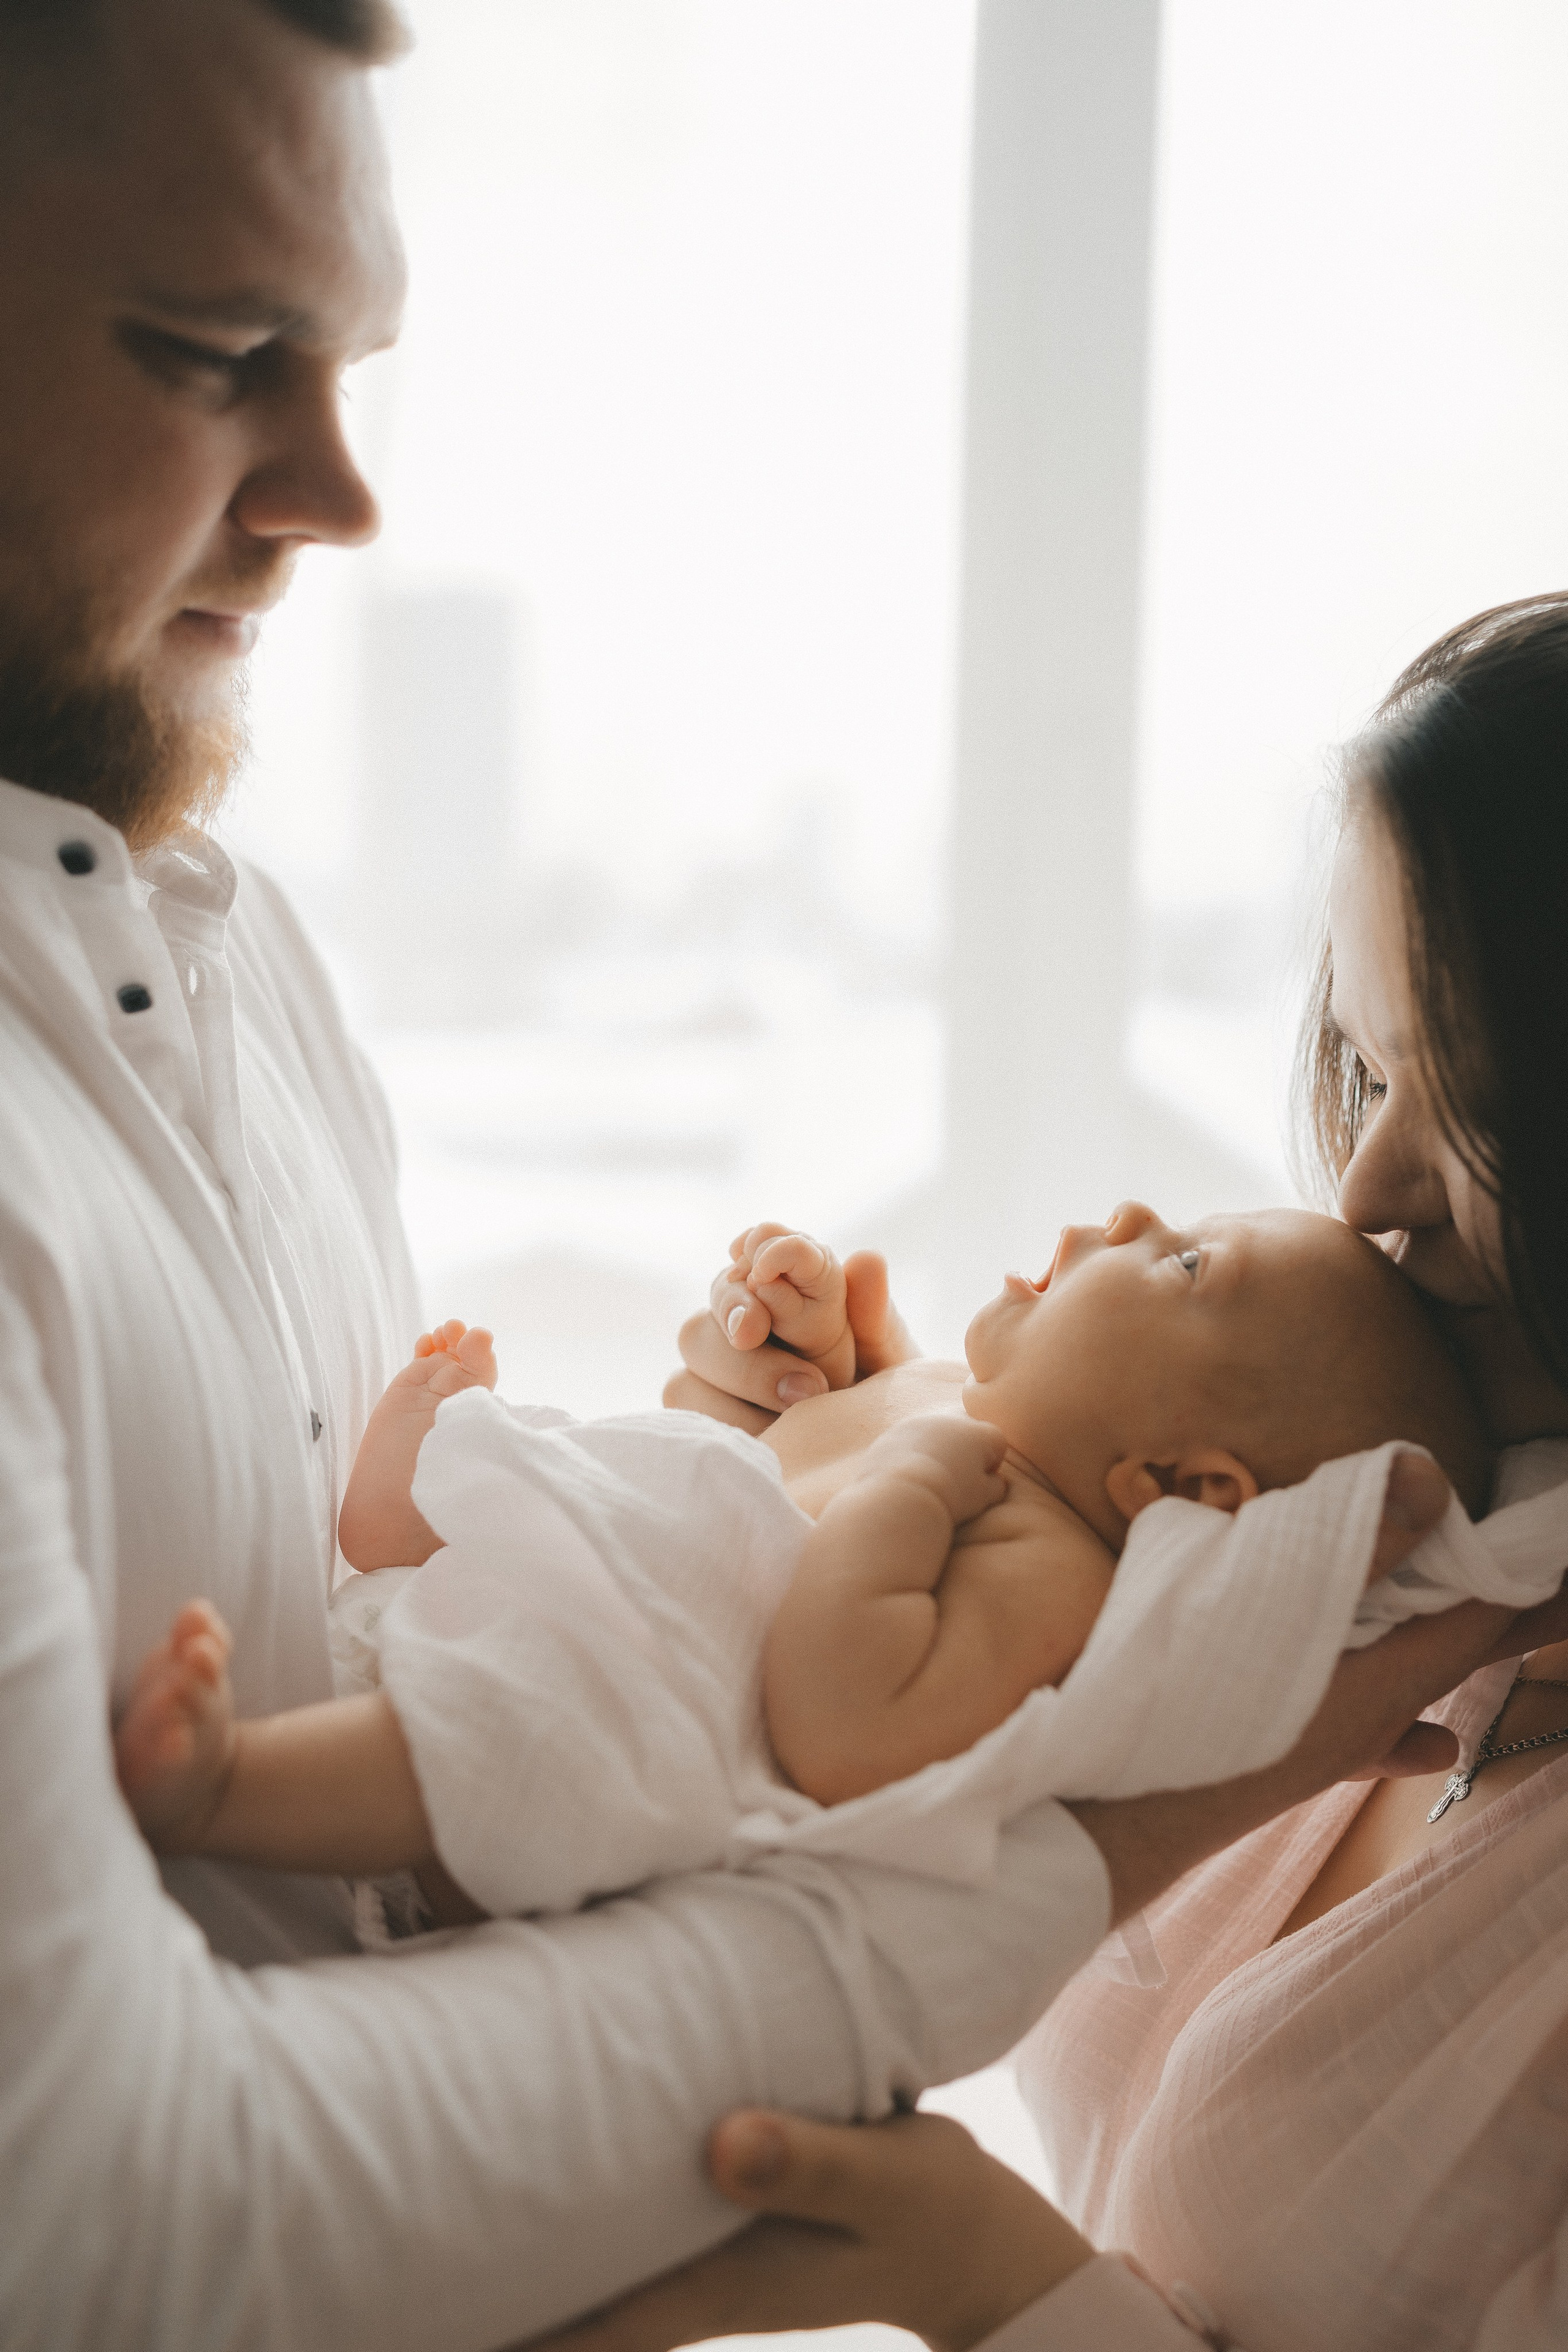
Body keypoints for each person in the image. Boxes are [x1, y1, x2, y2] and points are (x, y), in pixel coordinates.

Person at [0, 3, 1545, 2341]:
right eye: (214, 351)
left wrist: (857, 1506)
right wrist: (892, 1524)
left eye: (1481, 1111)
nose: (342, 489)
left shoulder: (247, 981)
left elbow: (508, 1781)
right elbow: (105, 2199)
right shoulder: (1354, 1618)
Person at [612, 594, 1568, 2350]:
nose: (1364, 1191)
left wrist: (993, 2286)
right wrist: (852, 1471)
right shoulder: (1371, 1542)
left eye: (1490, 1114)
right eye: (1367, 1062)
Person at [111, 1203, 1499, 1910]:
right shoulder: (973, 1430)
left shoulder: (1049, 1564)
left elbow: (847, 1731)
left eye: (1187, 1267)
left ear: (1179, 1484)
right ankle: (416, 1523)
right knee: (633, 1489)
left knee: (490, 1743)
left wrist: (897, 1480)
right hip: (571, 1598)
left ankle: (230, 1788)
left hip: (610, 1736)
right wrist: (820, 1386)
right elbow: (756, 1482)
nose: (1126, 1220)